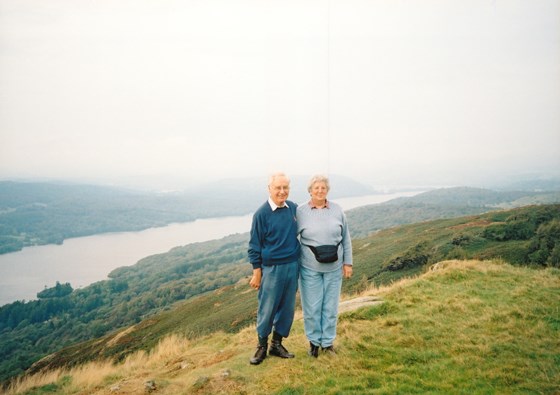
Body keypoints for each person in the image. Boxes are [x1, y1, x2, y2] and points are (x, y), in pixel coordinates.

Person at [297, 174, 353, 357]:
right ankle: (314, 343)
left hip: (334, 268)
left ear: (327, 190)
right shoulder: (300, 212)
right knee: (312, 308)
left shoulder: (337, 210)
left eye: (323, 188)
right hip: (309, 268)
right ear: (310, 191)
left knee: (330, 307)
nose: (320, 191)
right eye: (316, 188)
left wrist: (348, 263)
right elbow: (292, 239)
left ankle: (328, 343)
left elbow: (346, 238)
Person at [247, 172, 301, 365]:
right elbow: (254, 246)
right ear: (269, 189)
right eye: (278, 187)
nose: (282, 191)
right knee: (267, 308)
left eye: (285, 187)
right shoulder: (261, 214)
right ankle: (262, 346)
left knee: (287, 308)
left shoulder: (293, 208)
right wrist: (257, 273)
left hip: (292, 266)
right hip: (271, 269)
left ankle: (276, 344)